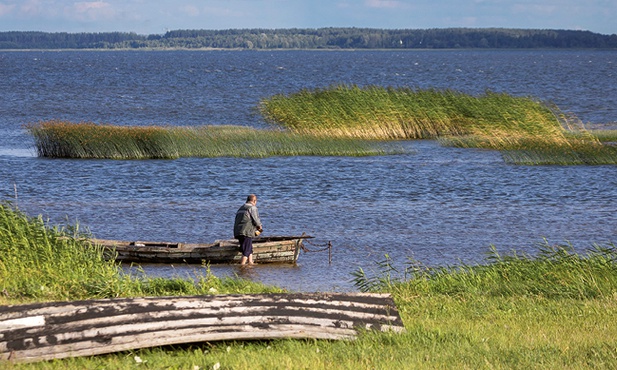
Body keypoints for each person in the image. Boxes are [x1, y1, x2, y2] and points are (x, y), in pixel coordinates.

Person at [233, 194, 263, 266]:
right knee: (246, 249)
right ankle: (242, 265)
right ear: (254, 201)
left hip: (238, 231)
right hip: (246, 231)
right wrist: (260, 228)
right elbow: (256, 220)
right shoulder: (252, 208)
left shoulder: (241, 208)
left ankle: (250, 262)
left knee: (249, 247)